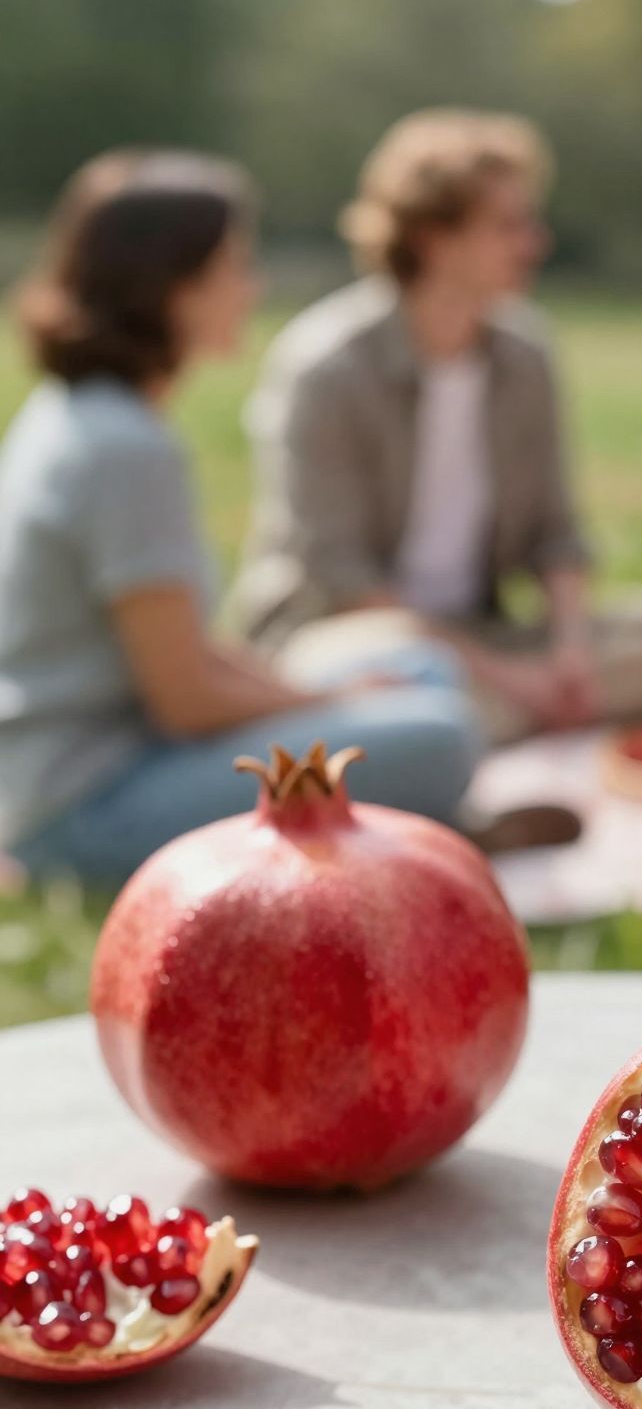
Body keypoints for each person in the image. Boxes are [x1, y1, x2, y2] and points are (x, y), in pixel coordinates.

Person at [0, 151, 484, 889]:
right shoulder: (126, 449)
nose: (250, 287)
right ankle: (431, 833)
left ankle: (414, 814)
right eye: (234, 266)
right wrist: (331, 702)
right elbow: (187, 700)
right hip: (86, 806)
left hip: (89, 761)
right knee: (441, 735)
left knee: (421, 669)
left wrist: (322, 695)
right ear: (171, 284)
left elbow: (180, 647)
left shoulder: (80, 411)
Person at [232, 109, 642, 735]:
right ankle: (464, 721)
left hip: (482, 638)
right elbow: (341, 579)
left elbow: (556, 533)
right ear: (433, 237)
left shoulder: (526, 358)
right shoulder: (325, 369)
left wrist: (568, 650)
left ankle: (482, 721)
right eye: (508, 226)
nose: (534, 243)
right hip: (346, 642)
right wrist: (508, 677)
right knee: (400, 696)